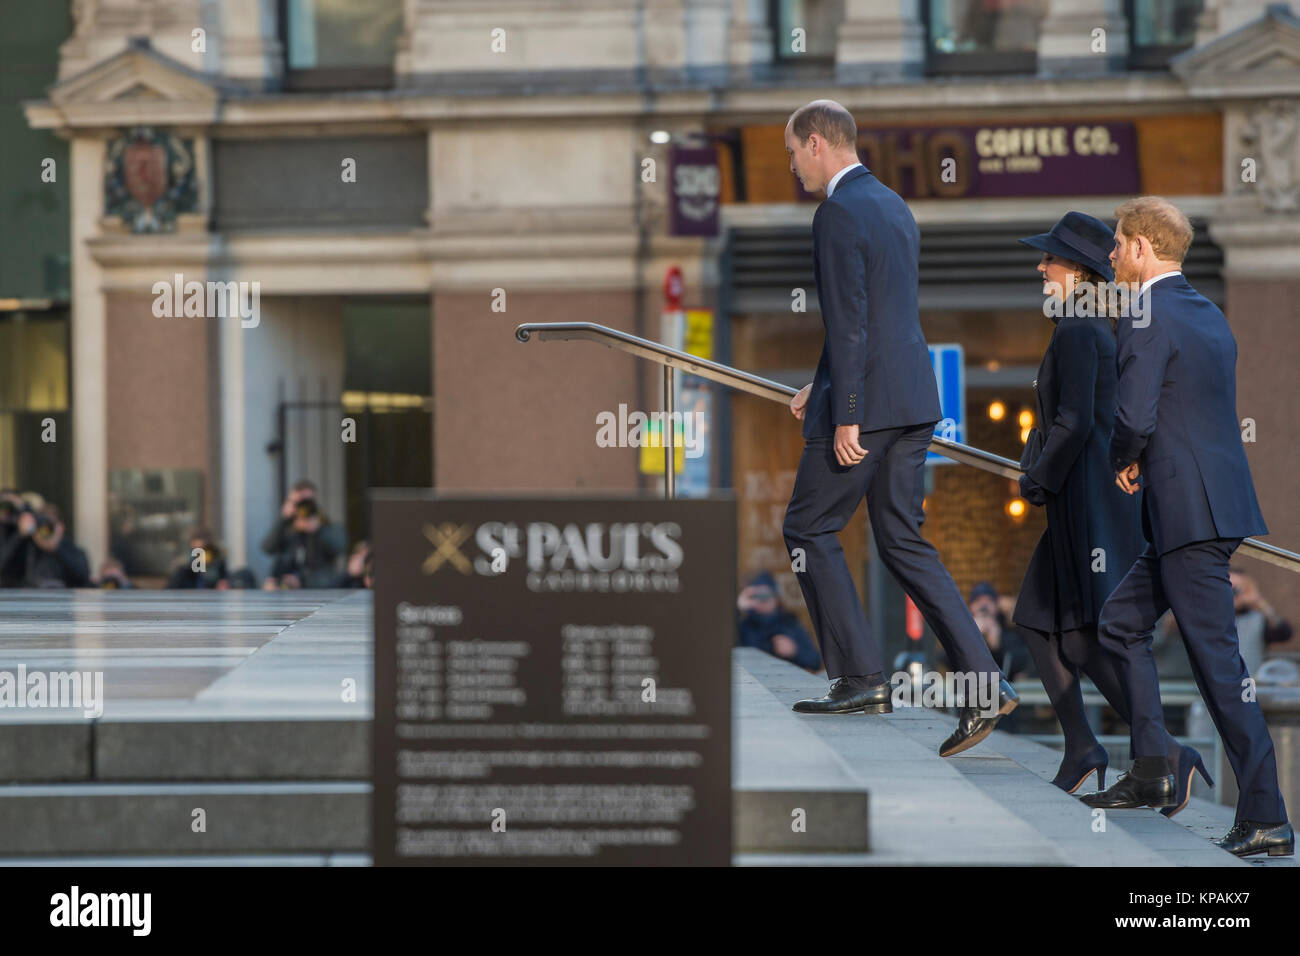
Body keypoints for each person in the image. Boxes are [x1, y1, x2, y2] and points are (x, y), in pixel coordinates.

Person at [779, 99, 1017, 756]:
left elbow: (850, 320)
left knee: (807, 526)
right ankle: (985, 682)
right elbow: (875, 316)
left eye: (794, 151)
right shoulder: (891, 205)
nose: (792, 165)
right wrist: (823, 385)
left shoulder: (837, 212)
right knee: (901, 541)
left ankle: (860, 677)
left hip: (872, 409)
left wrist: (846, 411)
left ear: (818, 143)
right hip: (912, 399)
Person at [1083, 196, 1292, 858]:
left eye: (1117, 244)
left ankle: (1266, 817)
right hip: (1202, 511)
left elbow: (1137, 416)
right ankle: (1154, 769)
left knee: (1219, 670)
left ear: (1143, 248)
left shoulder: (1144, 313)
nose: (1111, 256)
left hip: (1188, 517)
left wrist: (1124, 460)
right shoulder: (1210, 314)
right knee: (1119, 625)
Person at [1011, 210, 1209, 807]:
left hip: (1089, 505)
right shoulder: (1090, 322)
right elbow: (1069, 418)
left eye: (1049, 259)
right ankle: (1087, 748)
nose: (1040, 267)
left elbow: (1072, 424)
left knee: (1087, 636)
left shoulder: (1077, 326)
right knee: (1043, 622)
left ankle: (1164, 754)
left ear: (1074, 270)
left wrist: (1036, 479)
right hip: (1086, 503)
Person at [261, 480, 345, 588]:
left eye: (308, 501)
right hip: (286, 587)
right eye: (299, 502)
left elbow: (339, 548)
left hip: (318, 588)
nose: (303, 506)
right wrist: (283, 520)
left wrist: (317, 531)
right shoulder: (287, 528)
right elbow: (267, 548)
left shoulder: (328, 527)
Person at [736, 571, 822, 672]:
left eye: (765, 596)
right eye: (755, 596)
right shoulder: (744, 626)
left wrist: (794, 651)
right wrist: (738, 608)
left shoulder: (790, 624)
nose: (761, 601)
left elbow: (815, 661)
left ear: (776, 598)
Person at [0, 496, 91, 588]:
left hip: (63, 600)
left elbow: (83, 579)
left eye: (50, 526)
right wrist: (19, 536)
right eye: (41, 526)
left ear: (60, 527)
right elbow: (4, 568)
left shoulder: (73, 551)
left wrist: (57, 549)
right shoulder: (26, 549)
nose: (45, 530)